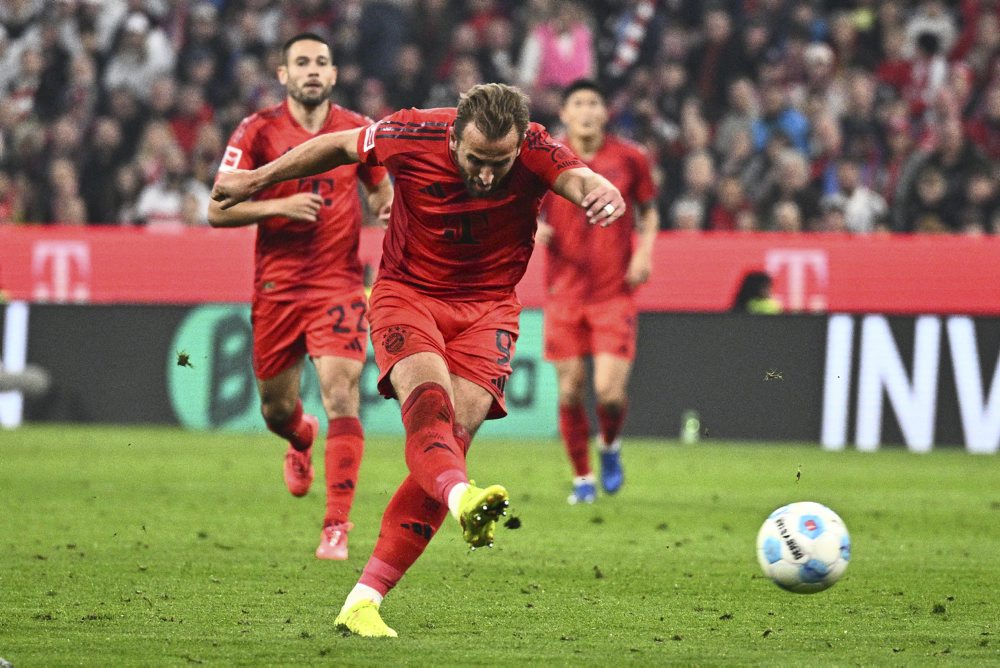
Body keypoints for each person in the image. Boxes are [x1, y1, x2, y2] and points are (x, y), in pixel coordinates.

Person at [212, 82, 625, 637]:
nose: (486, 174)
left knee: (451, 439)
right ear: (454, 136)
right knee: (429, 406)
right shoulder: (410, 131)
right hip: (408, 293)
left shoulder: (535, 146)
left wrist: (599, 191)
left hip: (490, 308)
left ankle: (364, 599)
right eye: (476, 159)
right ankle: (462, 498)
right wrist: (257, 180)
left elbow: (577, 177)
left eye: (499, 163)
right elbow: (338, 146)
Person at [207, 33, 393, 561]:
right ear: (283, 75)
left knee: (341, 393)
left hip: (338, 283)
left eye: (322, 63)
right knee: (276, 409)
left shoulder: (358, 130)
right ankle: (299, 438)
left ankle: (337, 526)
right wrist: (276, 209)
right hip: (277, 287)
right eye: (302, 63)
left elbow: (379, 185)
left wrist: (383, 203)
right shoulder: (258, 130)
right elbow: (218, 209)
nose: (313, 70)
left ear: (334, 75)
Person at [535, 79, 658, 505]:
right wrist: (534, 227)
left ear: (605, 112)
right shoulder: (546, 157)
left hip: (614, 292)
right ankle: (582, 478)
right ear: (565, 114)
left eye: (594, 102)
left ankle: (608, 445)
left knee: (609, 393)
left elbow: (649, 210)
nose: (587, 111)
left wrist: (644, 254)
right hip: (564, 292)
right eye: (578, 103)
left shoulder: (630, 158)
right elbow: (523, 205)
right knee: (570, 390)